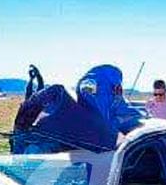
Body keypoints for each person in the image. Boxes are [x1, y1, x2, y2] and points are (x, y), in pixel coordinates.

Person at [11, 63, 142, 152]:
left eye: (92, 88)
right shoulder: (60, 116)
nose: (89, 93)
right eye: (86, 88)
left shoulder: (123, 113)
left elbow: (136, 124)